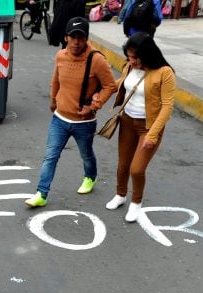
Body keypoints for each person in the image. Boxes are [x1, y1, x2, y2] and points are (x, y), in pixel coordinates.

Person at [25, 17, 118, 207]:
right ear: (66, 37)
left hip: (83, 122)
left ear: (86, 39)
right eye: (73, 37)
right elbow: (56, 80)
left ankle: (90, 177)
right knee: (50, 156)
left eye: (80, 38)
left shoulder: (97, 60)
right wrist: (53, 101)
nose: (76, 42)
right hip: (60, 118)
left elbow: (110, 86)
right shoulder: (61, 55)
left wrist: (94, 106)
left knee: (86, 154)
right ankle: (41, 194)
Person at [103, 32, 175, 222]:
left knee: (136, 169)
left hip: (148, 127)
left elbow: (167, 106)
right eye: (129, 57)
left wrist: (153, 135)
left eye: (135, 57)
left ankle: (136, 202)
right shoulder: (129, 67)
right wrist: (101, 91)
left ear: (147, 53)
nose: (131, 61)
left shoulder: (164, 73)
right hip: (127, 121)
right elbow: (122, 84)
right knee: (123, 165)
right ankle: (120, 195)